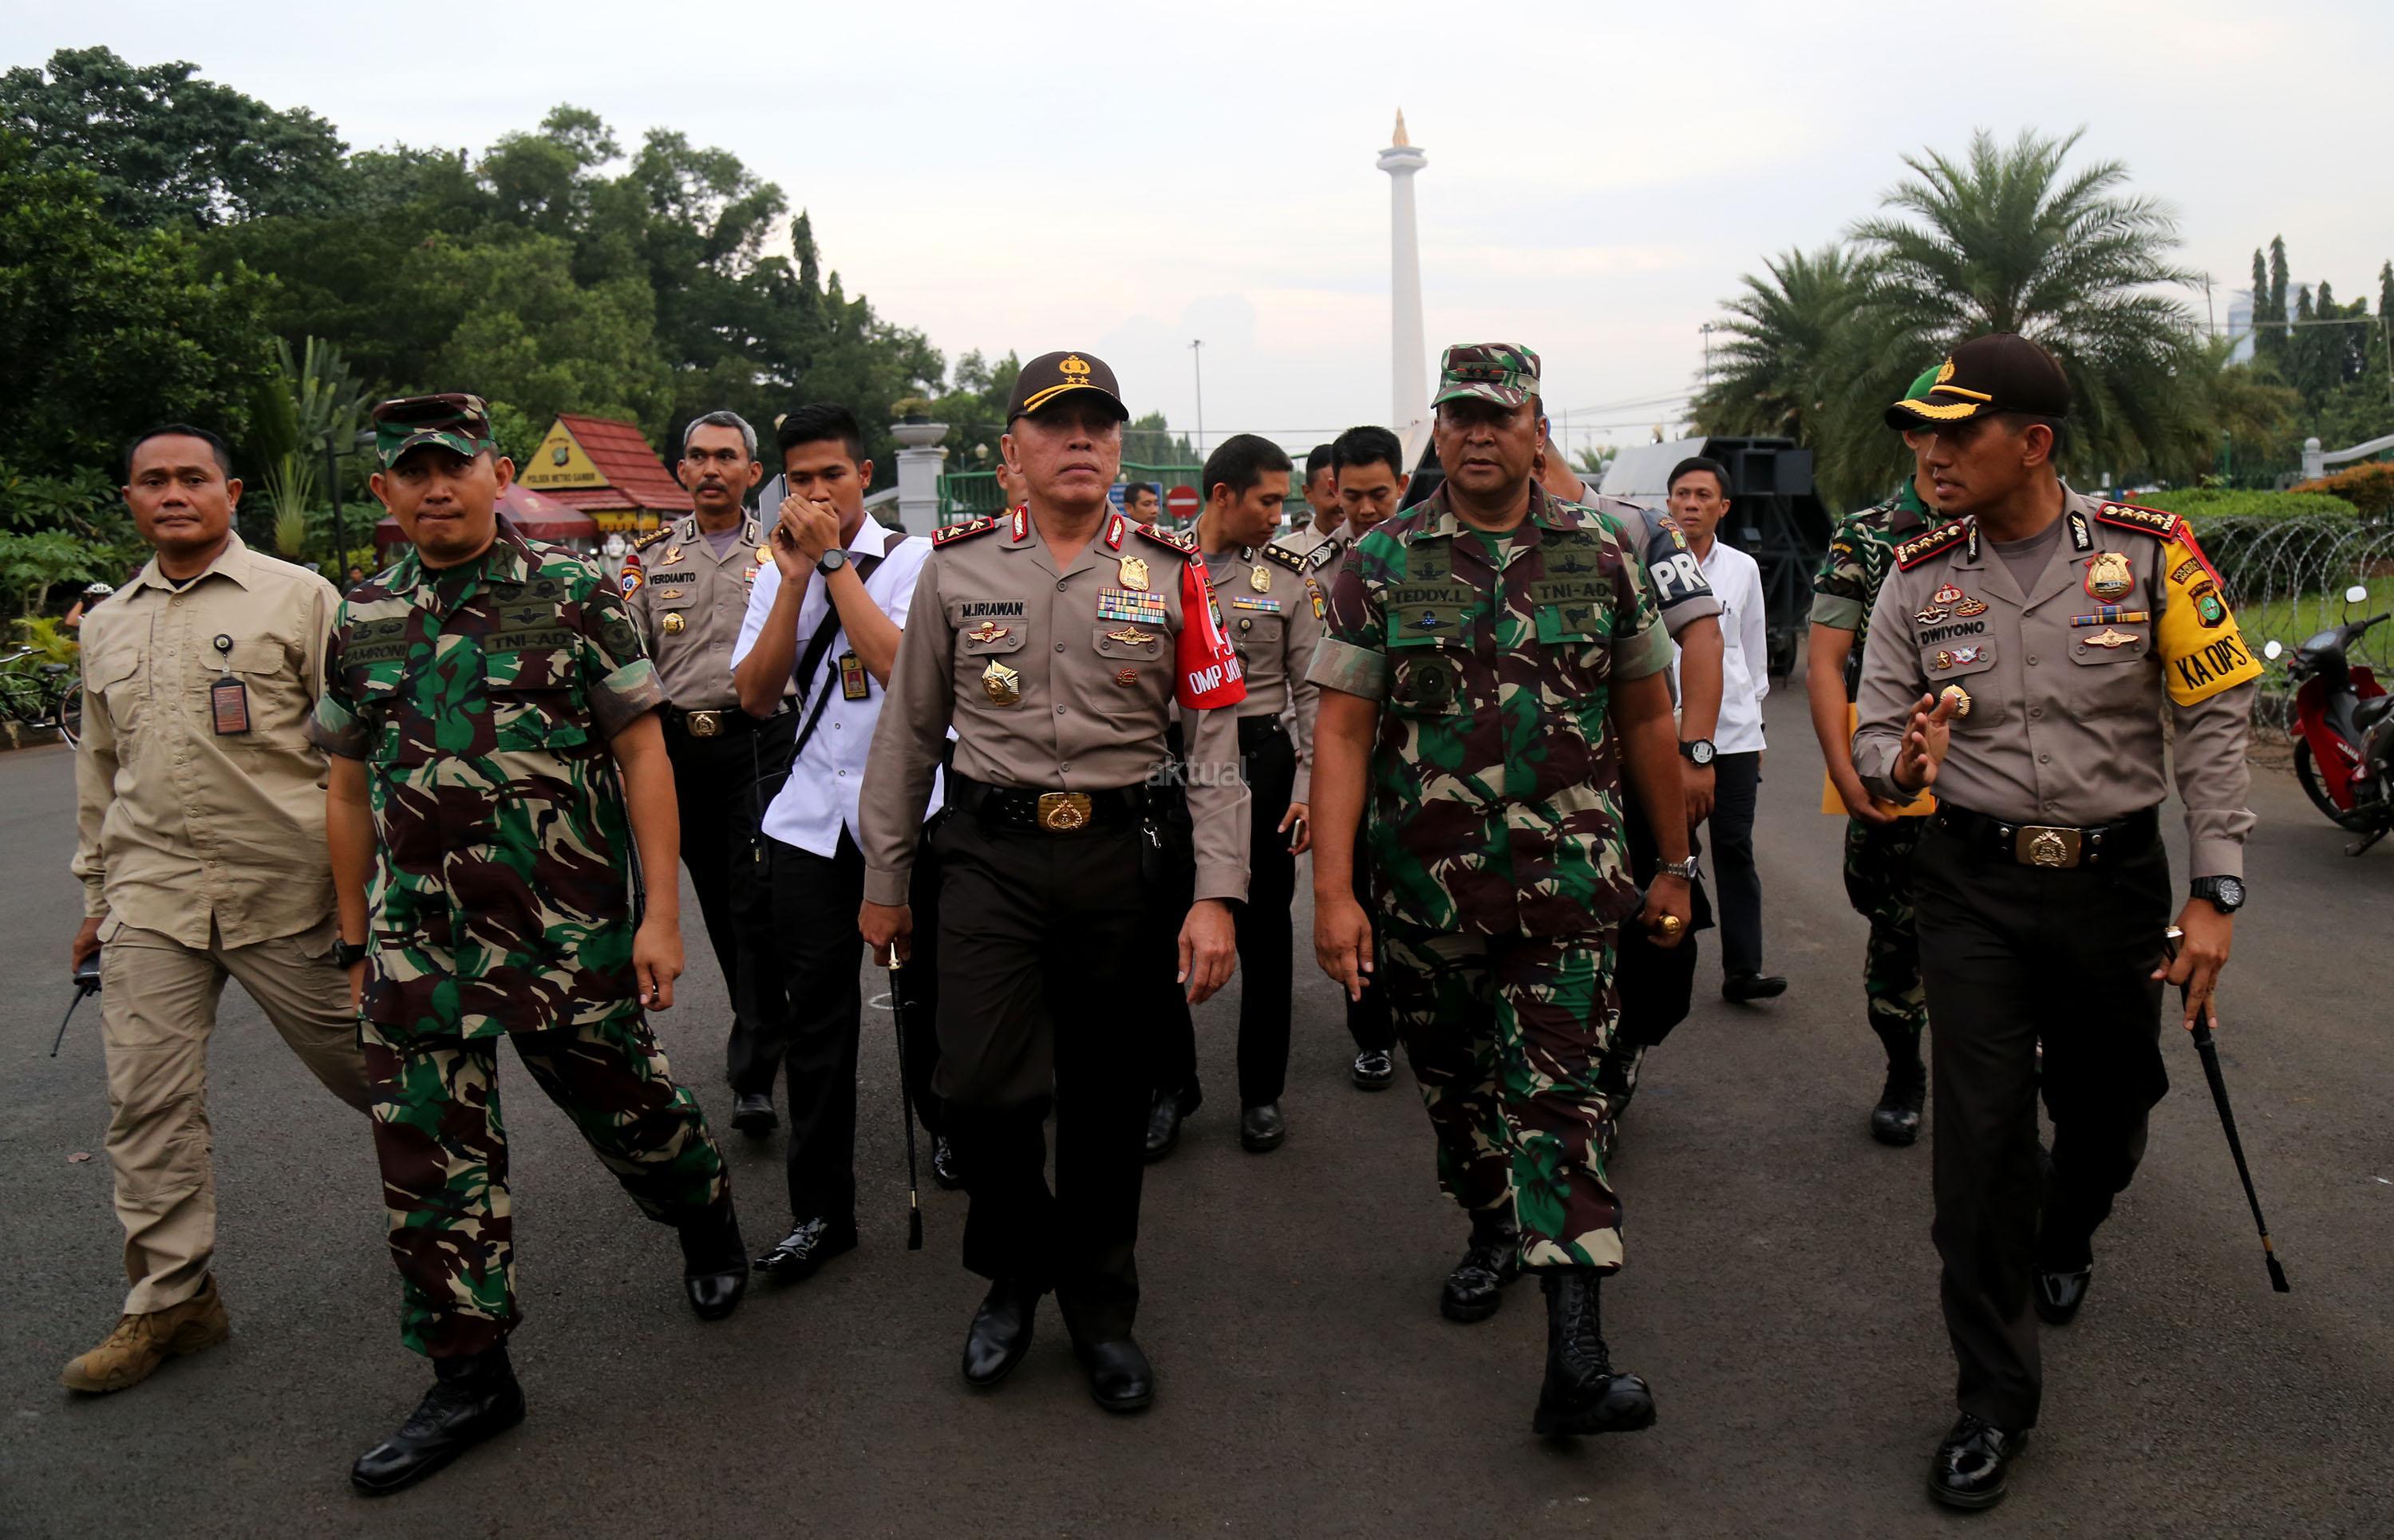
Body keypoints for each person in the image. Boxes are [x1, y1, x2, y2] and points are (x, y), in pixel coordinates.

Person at [1852, 334, 2258, 1510]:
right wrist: (1900, 763)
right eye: (1919, 437)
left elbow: (2214, 715)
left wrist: (2216, 887)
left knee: (2112, 1107)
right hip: (1969, 884)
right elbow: (1875, 737)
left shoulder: (2151, 553)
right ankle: (1993, 1398)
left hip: (2113, 884)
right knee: (1977, 1146)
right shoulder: (1915, 577)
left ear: (2032, 442)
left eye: (1955, 433)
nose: (1930, 456)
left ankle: (2068, 1227)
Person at [316, 394, 746, 1495]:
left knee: (631, 1110)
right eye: (412, 471)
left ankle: (701, 1210)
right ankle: (470, 1376)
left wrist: (659, 915)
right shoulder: (362, 615)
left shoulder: (573, 593)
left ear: (497, 474)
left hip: (559, 930)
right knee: (428, 1162)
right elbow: (349, 782)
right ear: (385, 490)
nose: (435, 487)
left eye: (453, 466)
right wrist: (354, 935)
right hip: (417, 941)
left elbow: (643, 753)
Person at [1308, 344, 1694, 1437]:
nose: (1478, 433)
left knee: (1562, 1102)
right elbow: (1342, 733)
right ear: (1437, 432)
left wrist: (1675, 862)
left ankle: (1577, 1355)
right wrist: (1332, 894)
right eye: (1460, 416)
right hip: (1427, 895)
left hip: (1571, 886)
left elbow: (1648, 715)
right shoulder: (1380, 560)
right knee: (1459, 1093)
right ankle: (1490, 1224)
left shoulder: (1601, 552)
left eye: (1500, 415)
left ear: (1537, 429)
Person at [856, 349, 1246, 1413]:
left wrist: (1216, 893)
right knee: (978, 1086)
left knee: (1108, 1103)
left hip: (1122, 859)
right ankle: (1016, 1268)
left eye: (1098, 423)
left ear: (1118, 447)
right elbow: (910, 733)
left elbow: (1214, 744)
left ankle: (1101, 1308)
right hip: (990, 854)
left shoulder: (1175, 572)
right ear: (1012, 452)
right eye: (1054, 422)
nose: (1080, 439)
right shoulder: (957, 569)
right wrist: (886, 875)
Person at [61, 424, 373, 1396]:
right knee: (145, 1102)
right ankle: (172, 1298)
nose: (173, 493)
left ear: (230, 493)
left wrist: (372, 899)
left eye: (192, 478)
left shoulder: (301, 598)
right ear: (130, 499)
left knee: (384, 1075)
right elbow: (99, 768)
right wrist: (96, 894)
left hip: (289, 888)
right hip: (151, 894)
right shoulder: (107, 623)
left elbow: (361, 754)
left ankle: (461, 1229)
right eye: (152, 480)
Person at [729, 404, 948, 1277]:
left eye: (832, 476)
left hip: (911, 816)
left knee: (927, 994)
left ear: (864, 476)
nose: (816, 493)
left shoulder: (916, 561)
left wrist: (833, 564)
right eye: (800, 479)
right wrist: (793, 580)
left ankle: (947, 1125)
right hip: (812, 822)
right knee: (814, 1020)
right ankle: (821, 1211)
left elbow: (900, 669)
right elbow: (755, 695)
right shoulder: (773, 569)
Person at [1533, 430, 1724, 1132]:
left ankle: (1626, 1049)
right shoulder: (1496, 536)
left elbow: (1701, 634)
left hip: (1633, 768)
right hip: (1544, 779)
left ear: (1536, 441)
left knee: (1657, 920)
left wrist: (1694, 750)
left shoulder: (1639, 530)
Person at [620, 411, 796, 1136]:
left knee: (755, 896)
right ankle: (764, 1019)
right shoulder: (649, 560)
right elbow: (630, 660)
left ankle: (753, 1072)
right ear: (682, 471)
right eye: (699, 457)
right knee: (723, 907)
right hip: (680, 752)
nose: (712, 469)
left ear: (753, 473)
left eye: (726, 457)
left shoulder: (782, 553)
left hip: (762, 744)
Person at [1148, 434, 1321, 1155]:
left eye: (1284, 502)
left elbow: (1313, 693)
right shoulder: (1150, 565)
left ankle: (1261, 1093)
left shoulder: (1286, 578)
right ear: (1223, 495)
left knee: (1265, 931)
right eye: (1269, 501)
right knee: (1156, 924)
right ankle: (1170, 1085)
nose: (1279, 516)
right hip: (1167, 762)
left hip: (1260, 763)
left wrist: (1309, 787)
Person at [1808, 365, 1942, 1146]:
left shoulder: (2014, 526)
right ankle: (1905, 1068)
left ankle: (2000, 1085)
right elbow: (1826, 661)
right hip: (1894, 765)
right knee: (1897, 931)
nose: (1945, 445)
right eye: (1931, 427)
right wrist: (1842, 767)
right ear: (1912, 435)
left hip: (2002, 776)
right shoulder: (1866, 536)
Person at [1665, 456, 1781, 1003]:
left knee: (1734, 845)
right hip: (1668, 733)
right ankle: (1669, 964)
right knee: (1673, 850)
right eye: (1682, 494)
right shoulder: (1647, 566)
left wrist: (1757, 728)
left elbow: (1752, 654)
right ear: (1669, 503)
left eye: (1703, 496)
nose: (1691, 504)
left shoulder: (1743, 568)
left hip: (1734, 732)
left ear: (1723, 507)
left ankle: (1744, 970)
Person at [1317, 424, 1412, 1090]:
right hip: (1342, 764)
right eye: (1353, 496)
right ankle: (1373, 1034)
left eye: (1380, 493)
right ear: (1333, 489)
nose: (1367, 508)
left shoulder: (1427, 555)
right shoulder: (1306, 566)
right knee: (1353, 901)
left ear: (1402, 484)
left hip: (1415, 769)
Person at [1273, 444, 1342, 557]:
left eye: (1348, 493)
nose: (1342, 503)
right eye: (1332, 494)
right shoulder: (1282, 554)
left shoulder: (1370, 548)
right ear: (1308, 493)